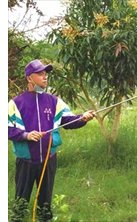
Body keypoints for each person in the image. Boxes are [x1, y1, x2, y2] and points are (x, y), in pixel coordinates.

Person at [8, 59, 96, 222]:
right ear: (29, 78)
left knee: (45, 203)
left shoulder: (54, 101)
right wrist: (25, 135)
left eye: (46, 74)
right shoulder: (16, 103)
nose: (45, 77)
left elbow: (69, 121)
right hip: (25, 160)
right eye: (40, 74)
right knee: (20, 202)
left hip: (49, 159)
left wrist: (83, 118)